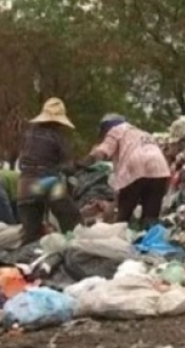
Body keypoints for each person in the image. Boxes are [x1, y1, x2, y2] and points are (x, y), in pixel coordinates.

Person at [80, 114, 171, 229]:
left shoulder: (115, 130)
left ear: (106, 128)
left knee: (123, 218)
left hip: (135, 167)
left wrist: (82, 164)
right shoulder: (142, 132)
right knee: (151, 217)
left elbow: (102, 151)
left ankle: (121, 238)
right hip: (160, 168)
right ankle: (150, 242)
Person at [17, 98, 83, 244]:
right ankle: (74, 251)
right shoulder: (56, 136)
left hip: (24, 185)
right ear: (58, 122)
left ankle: (24, 262)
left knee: (30, 235)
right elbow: (68, 166)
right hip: (47, 182)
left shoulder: (28, 135)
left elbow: (22, 161)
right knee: (72, 218)